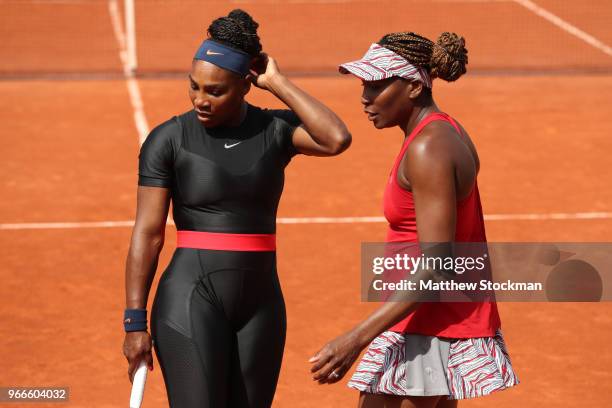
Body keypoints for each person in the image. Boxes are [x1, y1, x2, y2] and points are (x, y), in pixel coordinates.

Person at [121, 9, 351, 408]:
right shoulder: (168, 140)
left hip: (262, 303)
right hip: (191, 298)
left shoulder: (274, 131)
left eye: (215, 91)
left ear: (246, 84)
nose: (200, 100)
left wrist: (277, 82)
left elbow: (335, 138)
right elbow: (149, 233)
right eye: (194, 86)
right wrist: (134, 322)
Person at [308, 32, 519, 407]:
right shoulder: (441, 131)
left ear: (411, 87)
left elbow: (438, 266)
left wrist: (355, 339)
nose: (364, 98)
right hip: (427, 320)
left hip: (426, 328)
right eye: (364, 85)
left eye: (376, 86)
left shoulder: (429, 148)